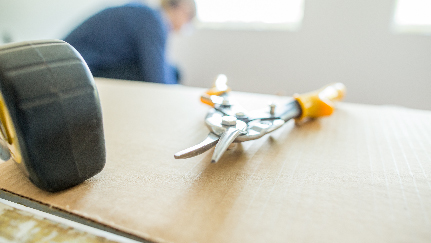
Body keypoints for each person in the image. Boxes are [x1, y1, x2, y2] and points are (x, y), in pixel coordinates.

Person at [64, 0, 196, 84]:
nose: (186, 26)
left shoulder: (146, 14)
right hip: (76, 71)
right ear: (182, 8)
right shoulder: (153, 20)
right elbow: (157, 78)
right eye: (189, 18)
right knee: (163, 74)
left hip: (82, 65)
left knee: (173, 71)